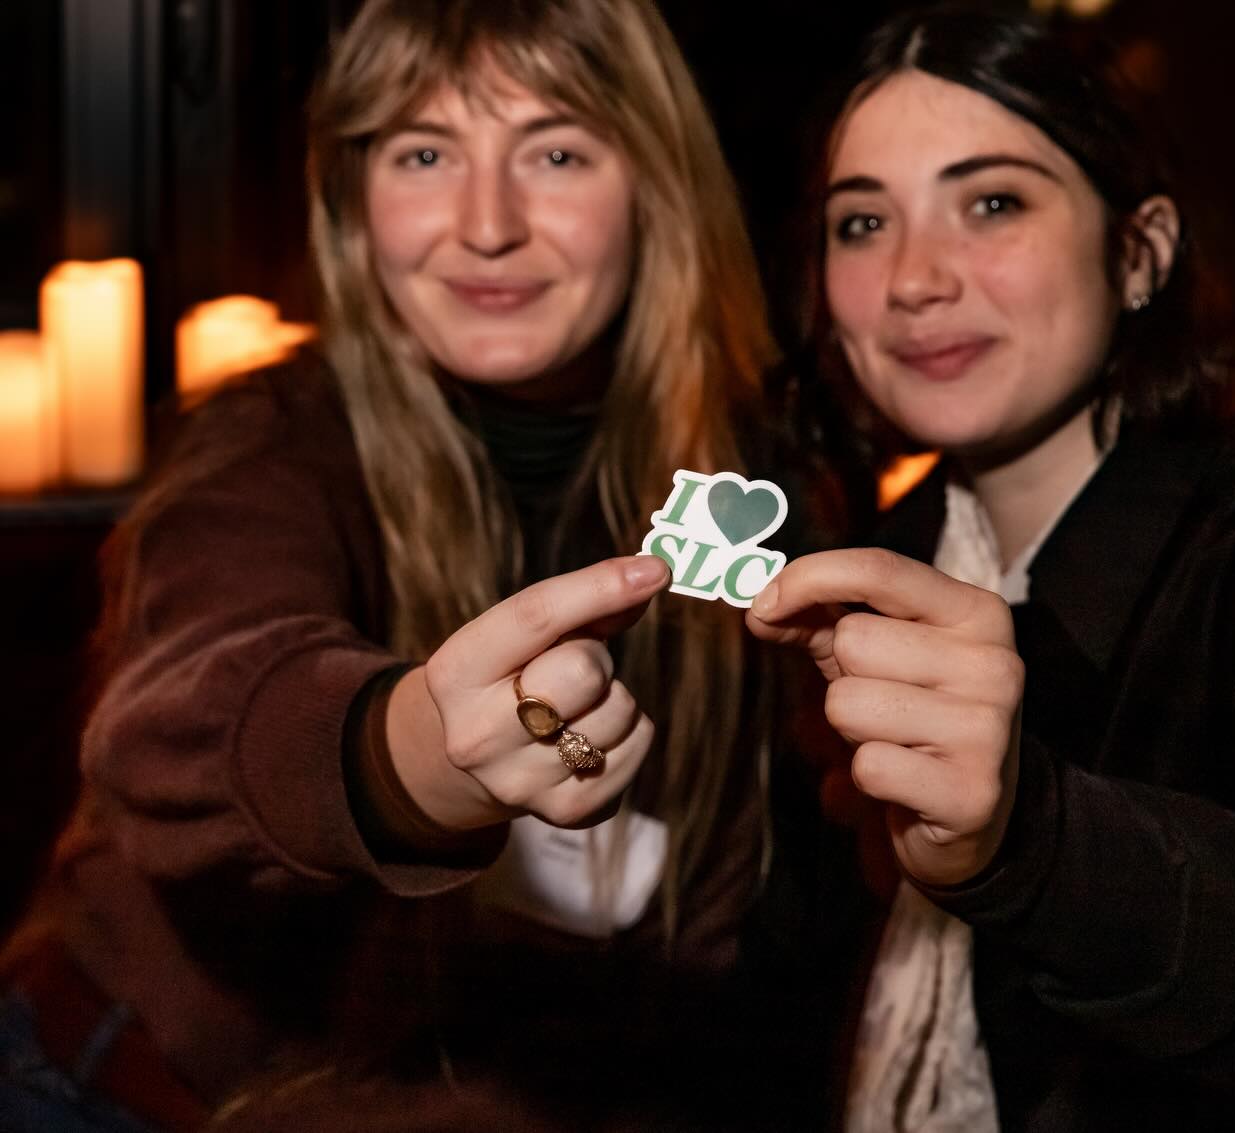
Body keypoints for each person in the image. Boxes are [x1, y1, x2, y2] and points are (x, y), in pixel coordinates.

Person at [0, 1, 833, 1129]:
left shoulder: (759, 496)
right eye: (424, 152)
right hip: (132, 1091)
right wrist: (414, 753)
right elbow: (179, 719)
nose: (486, 223)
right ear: (355, 205)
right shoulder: (270, 442)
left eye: (555, 151)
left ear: (654, 185)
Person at [748, 5, 1235, 1131]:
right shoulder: (847, 571)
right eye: (862, 222)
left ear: (1140, 251)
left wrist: (1031, 839)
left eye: (993, 202)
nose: (915, 276)